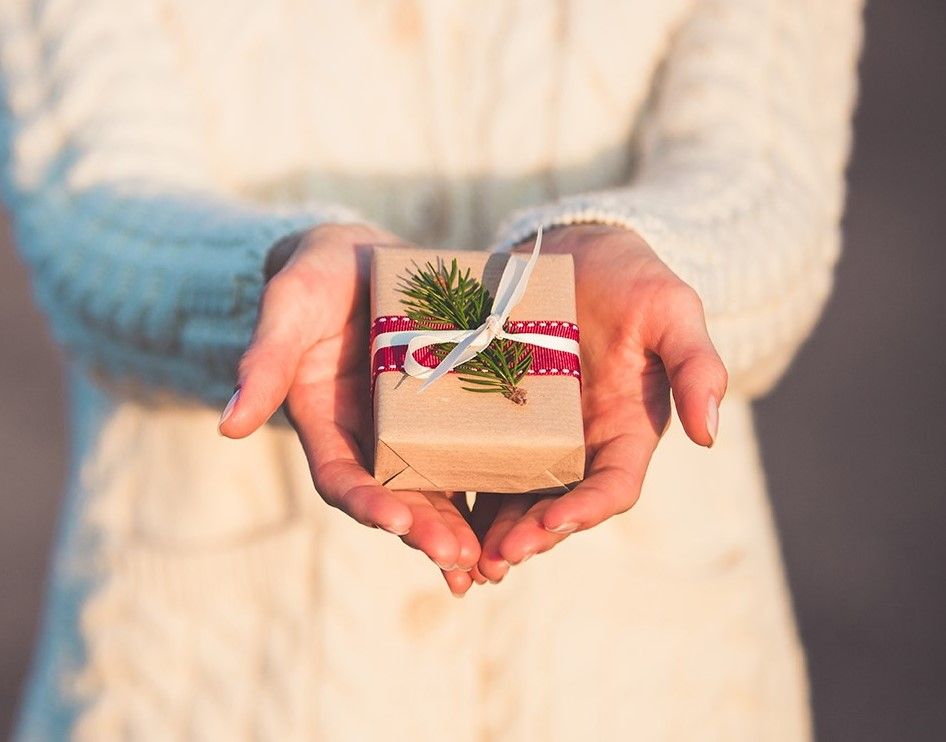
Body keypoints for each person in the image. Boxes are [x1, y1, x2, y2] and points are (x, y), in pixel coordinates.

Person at [0, 0, 864, 739]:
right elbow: (91, 208)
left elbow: (765, 175)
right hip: (214, 685)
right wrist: (268, 274)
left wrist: (660, 259)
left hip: (639, 683)